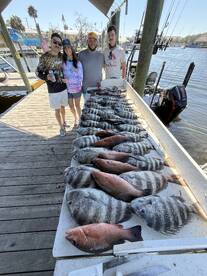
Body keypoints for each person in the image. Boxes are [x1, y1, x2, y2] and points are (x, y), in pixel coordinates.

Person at [36, 33, 68, 136]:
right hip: (53, 90)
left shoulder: (62, 56)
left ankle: (64, 122)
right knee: (57, 110)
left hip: (63, 87)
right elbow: (37, 72)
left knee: (63, 107)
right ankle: (61, 127)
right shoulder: (44, 57)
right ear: (51, 42)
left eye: (59, 43)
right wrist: (46, 77)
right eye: (55, 42)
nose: (57, 45)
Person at [62, 39, 83, 127]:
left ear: (71, 48)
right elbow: (62, 74)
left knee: (77, 106)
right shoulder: (63, 63)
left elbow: (81, 77)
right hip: (68, 89)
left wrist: (70, 80)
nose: (67, 50)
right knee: (71, 107)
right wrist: (63, 79)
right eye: (65, 48)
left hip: (77, 88)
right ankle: (75, 118)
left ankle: (80, 120)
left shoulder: (78, 63)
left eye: (68, 48)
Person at [78, 32, 104, 101]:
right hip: (86, 90)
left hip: (98, 89)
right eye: (90, 40)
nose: (92, 42)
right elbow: (75, 70)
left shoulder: (101, 55)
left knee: (98, 110)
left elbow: (110, 66)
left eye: (94, 40)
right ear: (87, 41)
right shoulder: (81, 54)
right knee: (88, 110)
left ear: (97, 42)